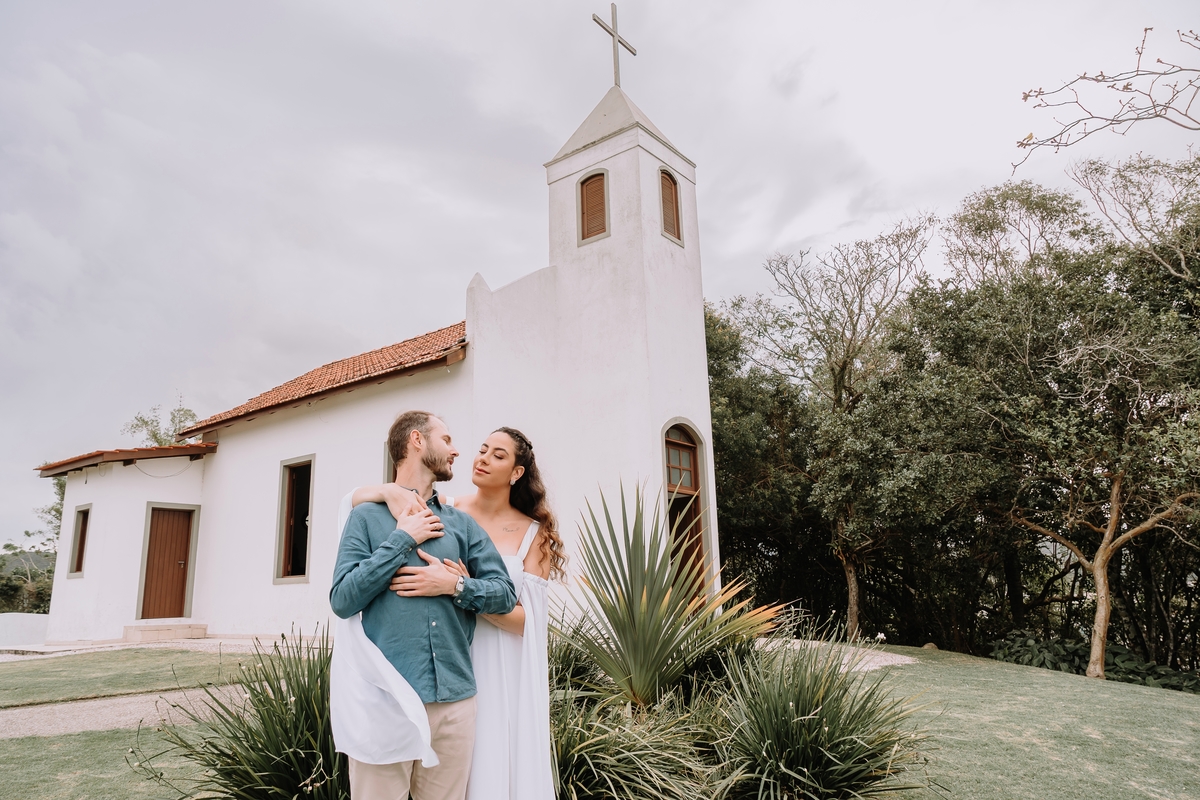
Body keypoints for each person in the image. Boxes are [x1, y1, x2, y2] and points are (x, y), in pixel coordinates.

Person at [354, 426, 564, 800]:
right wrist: (386, 490)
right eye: (482, 450)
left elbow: (527, 622)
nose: (482, 458)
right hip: (450, 656)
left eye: (498, 455)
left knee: (489, 759)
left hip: (501, 662)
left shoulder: (535, 533)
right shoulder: (445, 509)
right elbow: (356, 500)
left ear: (517, 473)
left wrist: (460, 589)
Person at [330, 410, 517, 800]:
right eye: (446, 439)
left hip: (455, 703)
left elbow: (505, 593)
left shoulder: (462, 525)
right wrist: (401, 540)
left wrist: (455, 585)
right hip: (386, 699)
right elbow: (343, 600)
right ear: (417, 440)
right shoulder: (364, 518)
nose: (456, 450)